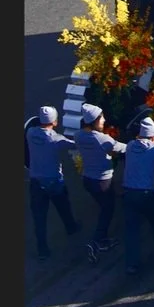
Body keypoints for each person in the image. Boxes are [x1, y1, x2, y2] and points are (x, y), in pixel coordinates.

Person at [26, 106, 82, 260]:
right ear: (55, 121)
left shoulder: (31, 133)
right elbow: (75, 144)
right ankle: (71, 227)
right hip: (54, 181)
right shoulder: (56, 139)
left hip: (36, 182)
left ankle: (42, 249)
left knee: (39, 218)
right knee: (63, 206)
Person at [76, 103, 127, 259]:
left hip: (88, 179)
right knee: (107, 209)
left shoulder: (78, 135)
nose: (104, 120)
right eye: (101, 118)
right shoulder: (102, 139)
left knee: (103, 205)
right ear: (94, 121)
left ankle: (100, 238)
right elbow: (121, 148)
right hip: (102, 181)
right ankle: (98, 241)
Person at [118, 116, 154, 276]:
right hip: (146, 194)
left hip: (129, 194)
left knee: (131, 230)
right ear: (153, 136)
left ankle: (132, 264)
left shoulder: (131, 146)